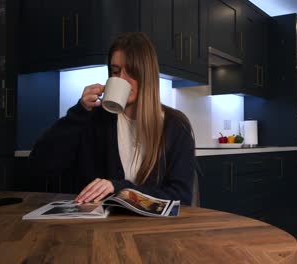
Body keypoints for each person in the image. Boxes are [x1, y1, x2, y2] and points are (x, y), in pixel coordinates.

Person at [29, 32, 196, 205]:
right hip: (100, 227)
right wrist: (79, 112)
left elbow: (181, 197)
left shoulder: (175, 125)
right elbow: (40, 165)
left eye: (131, 72)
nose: (121, 79)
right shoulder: (94, 119)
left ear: (147, 77)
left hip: (153, 228)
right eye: (115, 72)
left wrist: (120, 189)